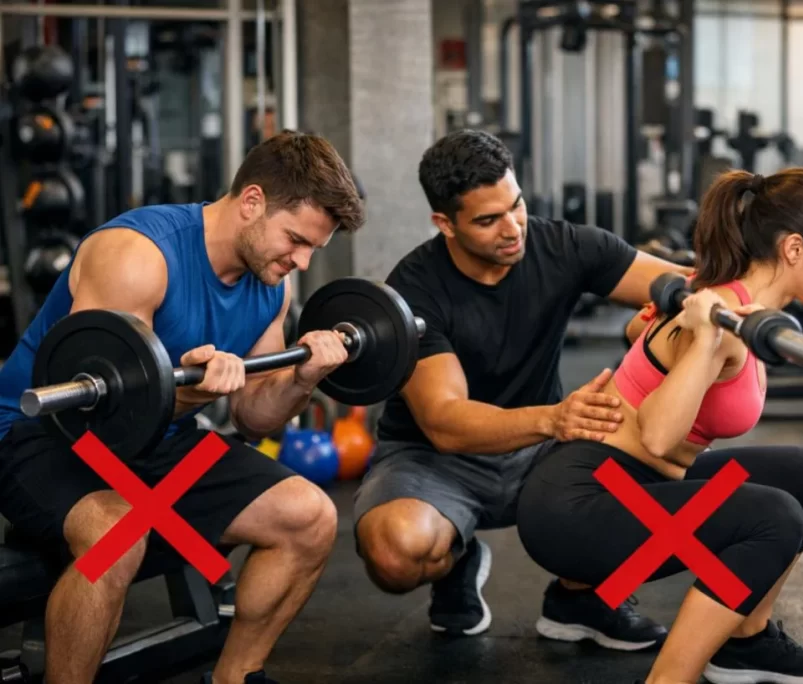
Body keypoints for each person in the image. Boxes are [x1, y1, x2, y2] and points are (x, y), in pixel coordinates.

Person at [0, 131, 363, 684]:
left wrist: (302, 379)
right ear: (252, 202)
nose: (302, 261)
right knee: (115, 538)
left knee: (310, 518)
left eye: (314, 247)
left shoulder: (271, 285)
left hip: (159, 439)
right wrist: (192, 392)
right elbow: (98, 416)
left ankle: (235, 677)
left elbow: (254, 417)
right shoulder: (138, 254)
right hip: (45, 434)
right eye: (295, 240)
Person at [517, 167, 803, 684]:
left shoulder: (724, 305)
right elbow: (658, 435)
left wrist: (663, 325)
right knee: (772, 515)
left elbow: (640, 330)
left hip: (638, 487)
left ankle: (746, 644)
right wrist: (699, 340)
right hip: (579, 507)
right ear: (794, 248)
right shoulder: (717, 323)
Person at [352, 129, 695, 650]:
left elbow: (680, 285)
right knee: (396, 556)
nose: (513, 228)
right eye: (488, 220)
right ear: (444, 223)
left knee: (654, 450)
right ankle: (456, 559)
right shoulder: (416, 288)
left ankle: (580, 596)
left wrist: (759, 286)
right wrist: (553, 418)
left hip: (543, 450)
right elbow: (445, 420)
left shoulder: (563, 245)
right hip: (436, 457)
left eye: (516, 206)